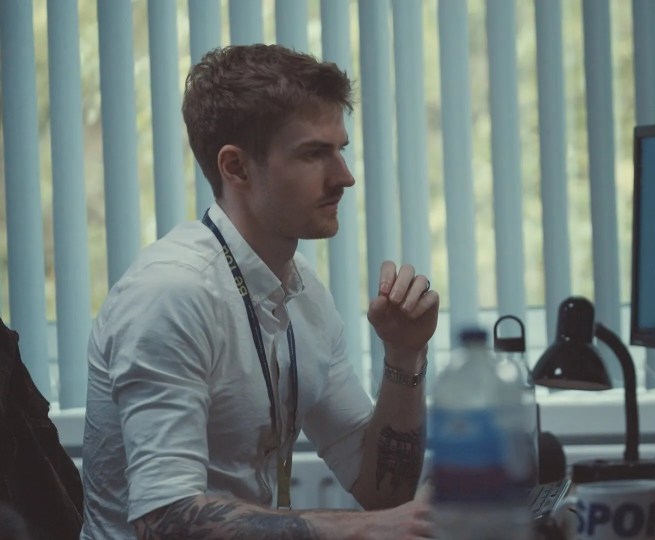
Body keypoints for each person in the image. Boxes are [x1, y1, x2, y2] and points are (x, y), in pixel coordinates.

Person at [80, 44, 438, 540]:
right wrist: (367, 529)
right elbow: (162, 520)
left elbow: (382, 490)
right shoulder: (171, 293)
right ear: (237, 168)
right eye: (315, 153)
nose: (345, 177)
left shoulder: (302, 291)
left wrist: (405, 354)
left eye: (341, 150)